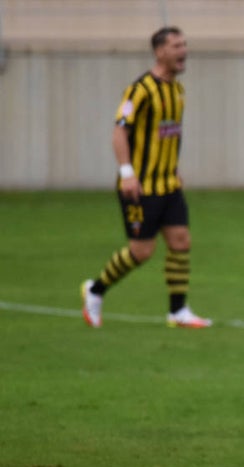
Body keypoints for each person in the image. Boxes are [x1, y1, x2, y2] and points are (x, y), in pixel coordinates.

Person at [81, 26, 211, 330]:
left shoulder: (177, 90)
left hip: (168, 184)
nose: (183, 51)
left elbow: (168, 134)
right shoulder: (140, 89)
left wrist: (174, 168)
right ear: (159, 51)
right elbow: (119, 131)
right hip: (140, 187)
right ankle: (95, 290)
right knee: (142, 251)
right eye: (177, 46)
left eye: (185, 45)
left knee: (181, 241)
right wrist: (127, 173)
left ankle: (177, 311)